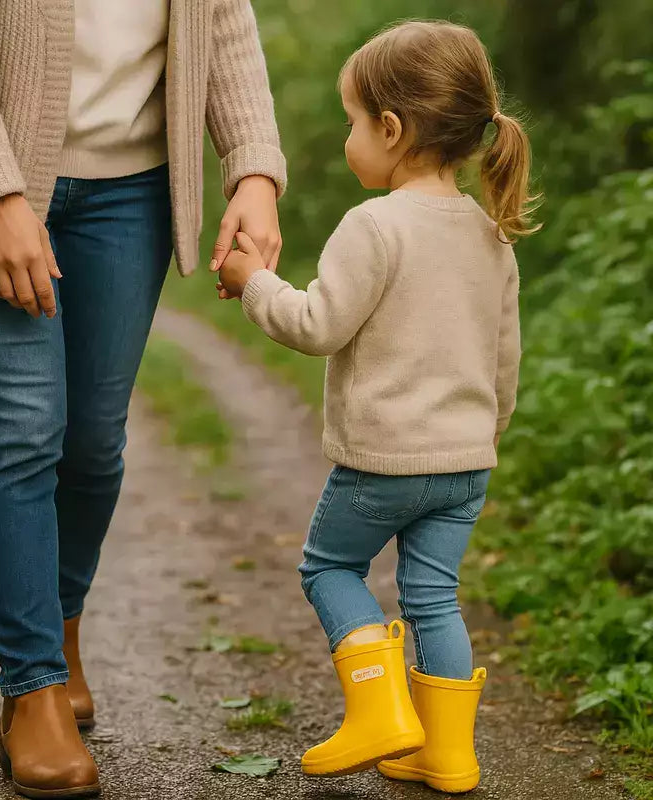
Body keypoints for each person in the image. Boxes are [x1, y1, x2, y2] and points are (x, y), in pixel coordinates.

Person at [0, 1, 285, 797]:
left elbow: (223, 17)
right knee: (24, 426)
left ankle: (59, 638)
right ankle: (32, 690)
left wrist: (255, 166)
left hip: (130, 191)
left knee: (94, 440)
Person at [216, 19, 536, 793]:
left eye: (353, 123)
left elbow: (317, 325)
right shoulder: (492, 235)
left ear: (392, 129)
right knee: (434, 598)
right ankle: (449, 753)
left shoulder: (374, 226)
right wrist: (479, 437)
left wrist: (252, 282)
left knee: (330, 566)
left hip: (382, 460)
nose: (348, 139)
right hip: (465, 461)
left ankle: (380, 714)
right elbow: (504, 361)